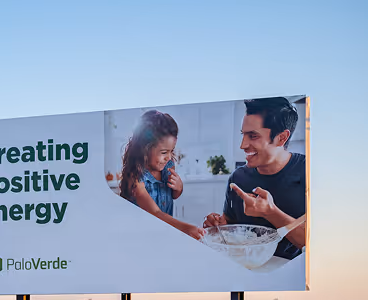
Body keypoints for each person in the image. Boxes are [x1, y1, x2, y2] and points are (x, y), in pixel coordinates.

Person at [203, 97, 306, 260]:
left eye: (253, 136)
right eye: (243, 135)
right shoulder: (237, 177)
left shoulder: (308, 171)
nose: (242, 145)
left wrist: (270, 212)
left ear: (281, 137)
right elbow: (231, 226)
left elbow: (315, 243)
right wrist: (220, 226)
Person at [119, 110, 204, 239]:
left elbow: (173, 196)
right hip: (139, 237)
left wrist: (179, 188)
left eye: (171, 151)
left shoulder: (168, 167)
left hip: (163, 235)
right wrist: (186, 228)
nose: (169, 157)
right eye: (164, 152)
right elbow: (154, 212)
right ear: (144, 149)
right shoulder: (135, 176)